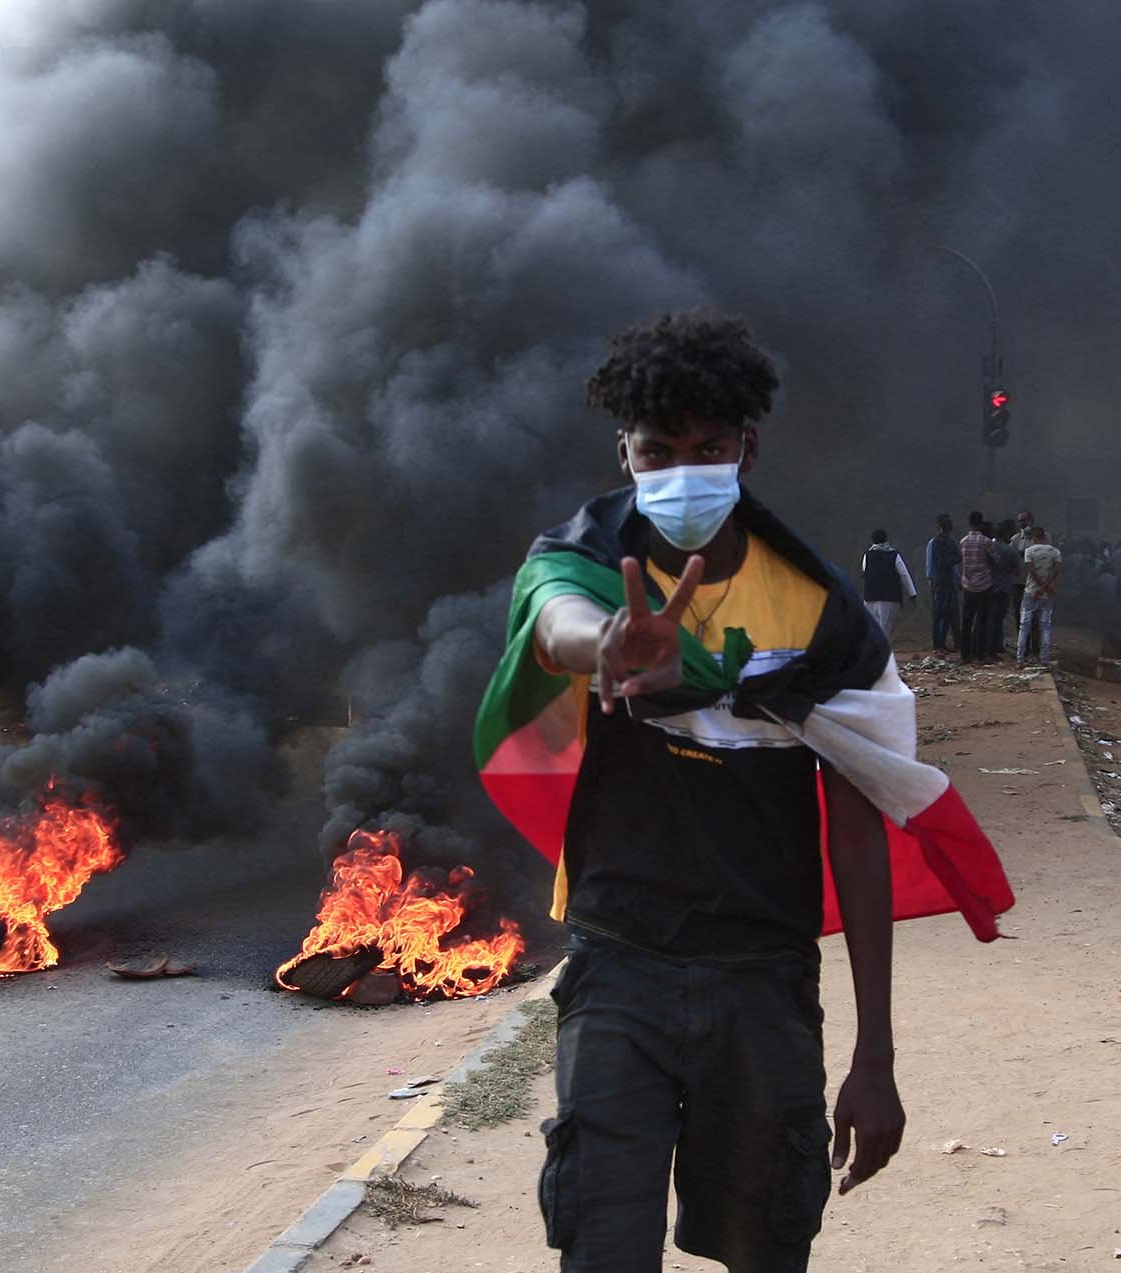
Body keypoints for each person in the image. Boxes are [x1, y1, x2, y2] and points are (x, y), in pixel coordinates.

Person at [472, 309, 1013, 1273]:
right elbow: (550, 613)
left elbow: (857, 825)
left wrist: (875, 1054)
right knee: (600, 1242)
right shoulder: (592, 558)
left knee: (767, 1245)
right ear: (626, 454)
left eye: (708, 446)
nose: (684, 470)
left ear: (747, 448)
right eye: (659, 449)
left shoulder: (818, 615)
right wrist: (605, 644)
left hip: (762, 977)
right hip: (619, 963)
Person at [860, 530, 917, 638]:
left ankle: (876, 651)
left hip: (870, 596)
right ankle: (883, 651)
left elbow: (864, 571)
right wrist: (912, 593)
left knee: (873, 627)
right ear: (886, 539)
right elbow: (904, 574)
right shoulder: (894, 555)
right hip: (890, 597)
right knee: (885, 627)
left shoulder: (867, 555)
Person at [1018, 527, 1061, 666]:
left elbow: (1031, 571)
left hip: (1030, 592)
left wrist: (1039, 588)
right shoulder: (1055, 552)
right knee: (1045, 626)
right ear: (1045, 537)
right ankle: (1044, 660)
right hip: (1047, 595)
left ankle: (1020, 659)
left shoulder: (1029, 551)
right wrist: (1046, 588)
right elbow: (1056, 571)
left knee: (1024, 626)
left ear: (1034, 538)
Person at [959, 512, 994, 663]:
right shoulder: (986, 541)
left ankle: (965, 655)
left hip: (968, 584)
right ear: (981, 524)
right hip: (984, 585)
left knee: (966, 620)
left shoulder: (963, 541)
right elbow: (995, 559)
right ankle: (979, 654)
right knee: (982, 620)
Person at [924, 513, 960, 653]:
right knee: (940, 613)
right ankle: (938, 645)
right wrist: (931, 580)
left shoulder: (949, 542)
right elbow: (932, 564)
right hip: (940, 581)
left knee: (946, 613)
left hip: (947, 580)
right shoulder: (935, 543)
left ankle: (942, 644)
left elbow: (955, 560)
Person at [986, 524, 1018, 662]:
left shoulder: (987, 547)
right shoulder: (1010, 550)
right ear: (1005, 535)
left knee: (989, 617)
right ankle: (993, 647)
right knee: (998, 618)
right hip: (1004, 587)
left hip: (987, 586)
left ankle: (994, 645)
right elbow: (1016, 570)